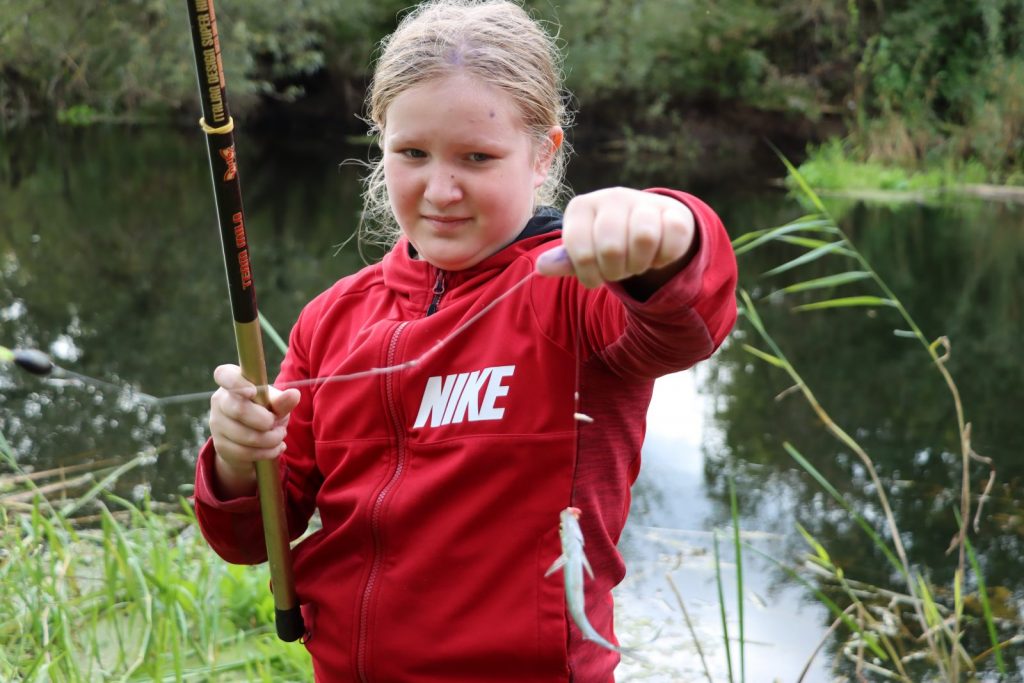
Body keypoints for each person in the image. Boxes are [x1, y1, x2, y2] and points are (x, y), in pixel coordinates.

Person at [193, 0, 737, 680]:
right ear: (381, 146)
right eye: (412, 154)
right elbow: (250, 537)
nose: (441, 190)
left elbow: (686, 324)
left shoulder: (580, 292)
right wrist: (236, 459)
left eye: (477, 157)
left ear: (543, 154)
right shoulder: (332, 318)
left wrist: (671, 232)